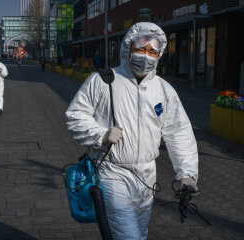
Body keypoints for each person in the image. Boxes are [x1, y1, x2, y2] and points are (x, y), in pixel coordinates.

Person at [66, 22, 199, 240]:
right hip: (113, 172)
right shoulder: (103, 81)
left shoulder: (164, 90)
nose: (146, 56)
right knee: (129, 236)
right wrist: (101, 134)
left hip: (147, 175)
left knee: (139, 232)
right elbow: (75, 116)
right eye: (141, 49)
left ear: (159, 54)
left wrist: (186, 173)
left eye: (152, 52)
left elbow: (179, 131)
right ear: (128, 48)